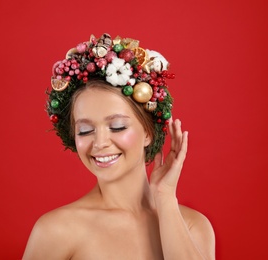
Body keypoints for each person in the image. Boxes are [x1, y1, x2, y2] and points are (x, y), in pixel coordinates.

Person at [23, 33, 215, 259]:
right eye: (85, 130)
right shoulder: (57, 231)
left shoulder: (193, 226)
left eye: (117, 127)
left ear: (148, 132)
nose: (100, 143)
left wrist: (165, 199)